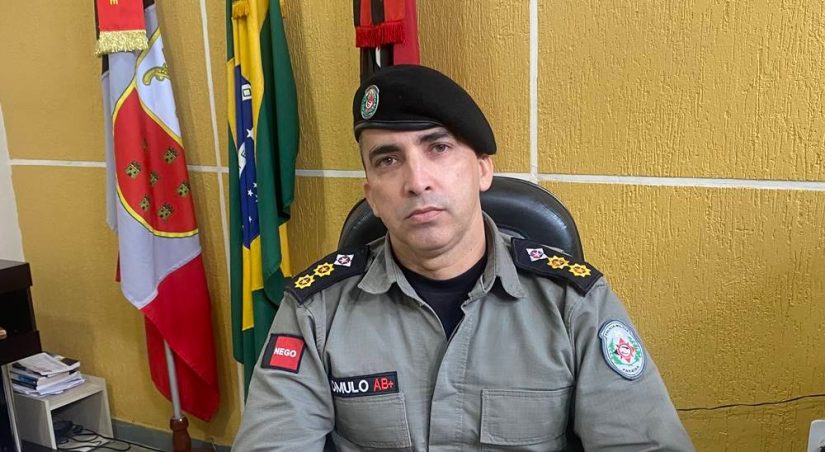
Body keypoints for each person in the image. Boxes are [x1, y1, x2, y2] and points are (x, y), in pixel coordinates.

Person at [233, 64, 694, 451]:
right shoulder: (316, 311)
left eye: (438, 148)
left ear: (482, 169)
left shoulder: (573, 303)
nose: (417, 181)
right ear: (371, 194)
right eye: (388, 160)